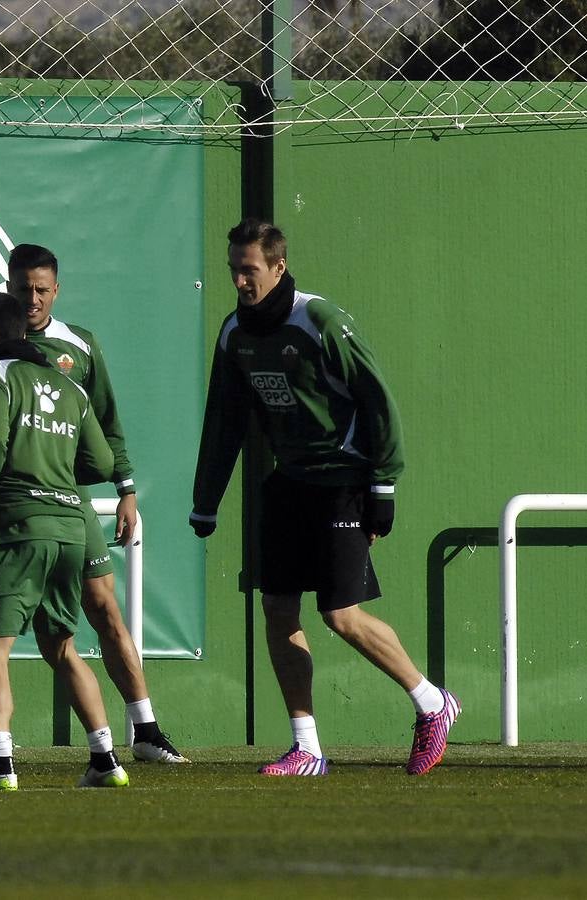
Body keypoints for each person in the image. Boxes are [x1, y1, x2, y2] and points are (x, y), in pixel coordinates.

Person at [190, 219, 459, 776]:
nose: (240, 280)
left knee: (341, 615)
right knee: (277, 607)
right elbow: (224, 421)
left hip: (345, 480)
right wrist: (206, 499)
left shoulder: (318, 321)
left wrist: (382, 485)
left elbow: (378, 399)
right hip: (290, 481)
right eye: (233, 269)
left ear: (278, 266)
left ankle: (433, 703)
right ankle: (306, 747)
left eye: (250, 269)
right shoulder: (234, 334)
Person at [0, 243, 187, 765]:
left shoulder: (80, 347)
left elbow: (108, 427)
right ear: (8, 288)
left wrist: (125, 489)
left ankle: (144, 728)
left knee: (102, 610)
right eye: (22, 289)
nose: (32, 299)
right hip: (26, 503)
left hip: (64, 502)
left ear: (57, 290)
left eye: (42, 290)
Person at [0, 291, 128, 791]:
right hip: (72, 529)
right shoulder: (68, 388)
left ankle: (0, 766)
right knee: (63, 647)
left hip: (18, 526)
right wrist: (52, 460)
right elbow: (100, 464)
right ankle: (105, 760)